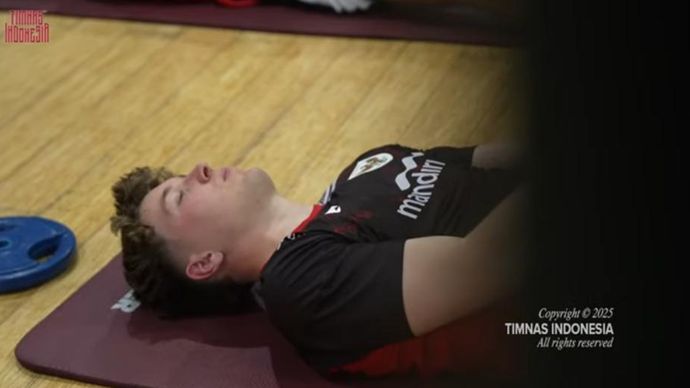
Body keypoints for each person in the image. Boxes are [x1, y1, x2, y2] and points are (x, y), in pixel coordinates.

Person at [110, 143, 527, 380]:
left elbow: (500, 156)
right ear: (204, 262)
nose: (199, 169)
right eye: (179, 196)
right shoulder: (300, 283)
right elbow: (488, 263)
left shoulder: (366, 167)